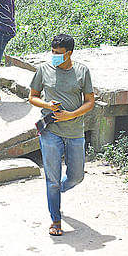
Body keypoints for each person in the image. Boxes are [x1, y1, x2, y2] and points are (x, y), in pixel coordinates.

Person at [28, 34, 95, 237]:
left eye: (58, 53)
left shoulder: (82, 71)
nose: (54, 56)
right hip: (50, 132)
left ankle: (57, 193)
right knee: (52, 179)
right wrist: (47, 105)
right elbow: (32, 96)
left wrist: (70, 115)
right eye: (53, 52)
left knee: (76, 176)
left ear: (69, 53)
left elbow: (90, 101)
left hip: (75, 131)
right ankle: (55, 220)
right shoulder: (43, 70)